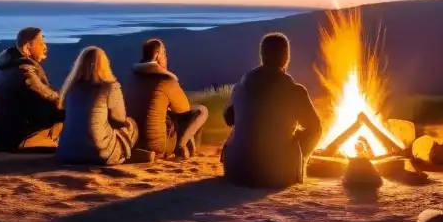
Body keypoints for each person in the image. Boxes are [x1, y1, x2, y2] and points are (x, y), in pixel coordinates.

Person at [222, 32, 323, 188]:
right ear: (286, 57)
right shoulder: (295, 91)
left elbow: (229, 119)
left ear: (262, 55)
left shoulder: (240, 88)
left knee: (239, 129)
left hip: (235, 171)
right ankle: (297, 166)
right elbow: (315, 128)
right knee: (315, 130)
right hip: (275, 174)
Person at [123, 38, 209, 161]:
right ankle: (182, 147)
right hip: (157, 144)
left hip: (133, 139)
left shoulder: (132, 78)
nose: (166, 58)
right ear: (157, 55)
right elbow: (184, 109)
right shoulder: (165, 80)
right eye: (164, 54)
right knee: (201, 111)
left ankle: (143, 153)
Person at [56, 46, 138, 165]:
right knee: (132, 125)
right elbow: (119, 120)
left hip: (66, 152)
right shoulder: (110, 87)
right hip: (98, 153)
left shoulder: (71, 88)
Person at [0, 27, 64, 151]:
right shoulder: (25, 71)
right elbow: (48, 104)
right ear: (27, 48)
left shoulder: (7, 66)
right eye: (41, 43)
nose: (45, 47)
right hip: (15, 140)